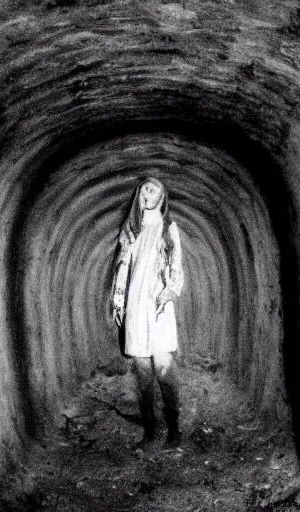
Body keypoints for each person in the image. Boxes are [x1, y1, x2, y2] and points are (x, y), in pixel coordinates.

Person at [111, 177, 185, 449]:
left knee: (164, 366)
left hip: (158, 304)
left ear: (162, 198)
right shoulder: (130, 230)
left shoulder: (168, 228)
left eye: (154, 189)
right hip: (135, 304)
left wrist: (171, 291)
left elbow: (175, 263)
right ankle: (150, 430)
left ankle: (174, 429)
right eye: (144, 188)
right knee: (142, 370)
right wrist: (118, 301)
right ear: (139, 195)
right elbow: (122, 268)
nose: (148, 191)